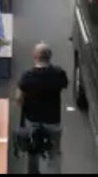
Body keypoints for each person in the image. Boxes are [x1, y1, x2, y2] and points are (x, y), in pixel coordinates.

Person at [17, 42, 68, 174]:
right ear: (50, 56)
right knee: (54, 152)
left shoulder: (27, 77)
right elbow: (64, 85)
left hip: (32, 120)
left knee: (32, 151)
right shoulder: (59, 74)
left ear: (34, 56)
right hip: (53, 120)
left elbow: (19, 98)